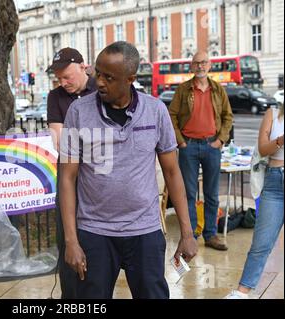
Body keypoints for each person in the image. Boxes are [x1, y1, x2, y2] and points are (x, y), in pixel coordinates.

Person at [59, 41, 197, 299]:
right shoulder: (78, 112)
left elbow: (172, 173)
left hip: (144, 231)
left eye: (109, 77)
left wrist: (187, 233)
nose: (100, 82)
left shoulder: (155, 111)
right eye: (98, 73)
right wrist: (71, 240)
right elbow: (67, 177)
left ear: (130, 79)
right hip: (94, 232)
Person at [169, 51, 233, 251]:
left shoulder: (217, 89)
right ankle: (191, 235)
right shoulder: (183, 89)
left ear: (209, 65)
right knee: (188, 193)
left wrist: (221, 139)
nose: (200, 66)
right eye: (196, 63)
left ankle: (211, 234)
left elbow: (227, 116)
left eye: (203, 62)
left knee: (212, 194)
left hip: (211, 146)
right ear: (191, 66)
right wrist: (180, 142)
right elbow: (171, 115)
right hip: (189, 146)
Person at [46, 47, 97, 299]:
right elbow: (59, 139)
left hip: (100, 176)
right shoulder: (55, 96)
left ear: (83, 66)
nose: (62, 83)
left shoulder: (102, 87)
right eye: (58, 78)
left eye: (67, 76)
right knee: (68, 236)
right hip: (69, 175)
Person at [224, 103, 284, 299]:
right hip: (274, 182)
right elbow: (263, 148)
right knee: (261, 242)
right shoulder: (273, 114)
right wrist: (281, 140)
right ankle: (242, 293)